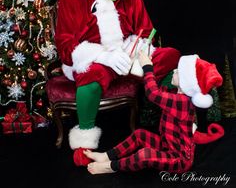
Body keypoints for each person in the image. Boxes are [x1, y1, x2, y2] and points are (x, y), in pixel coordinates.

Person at [54, 0, 181, 166]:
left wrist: (138, 52)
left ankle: (179, 124)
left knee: (171, 55)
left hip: (126, 53)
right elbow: (66, 47)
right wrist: (103, 56)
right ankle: (85, 140)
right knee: (91, 75)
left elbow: (145, 29)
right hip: (94, 59)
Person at [84, 51, 225, 174]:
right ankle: (107, 156)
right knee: (139, 134)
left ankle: (111, 166)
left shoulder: (182, 102)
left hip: (179, 160)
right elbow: (158, 92)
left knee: (144, 155)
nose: (175, 71)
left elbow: (153, 93)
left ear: (186, 83)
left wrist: (147, 67)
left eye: (179, 71)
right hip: (166, 145)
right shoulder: (176, 94)